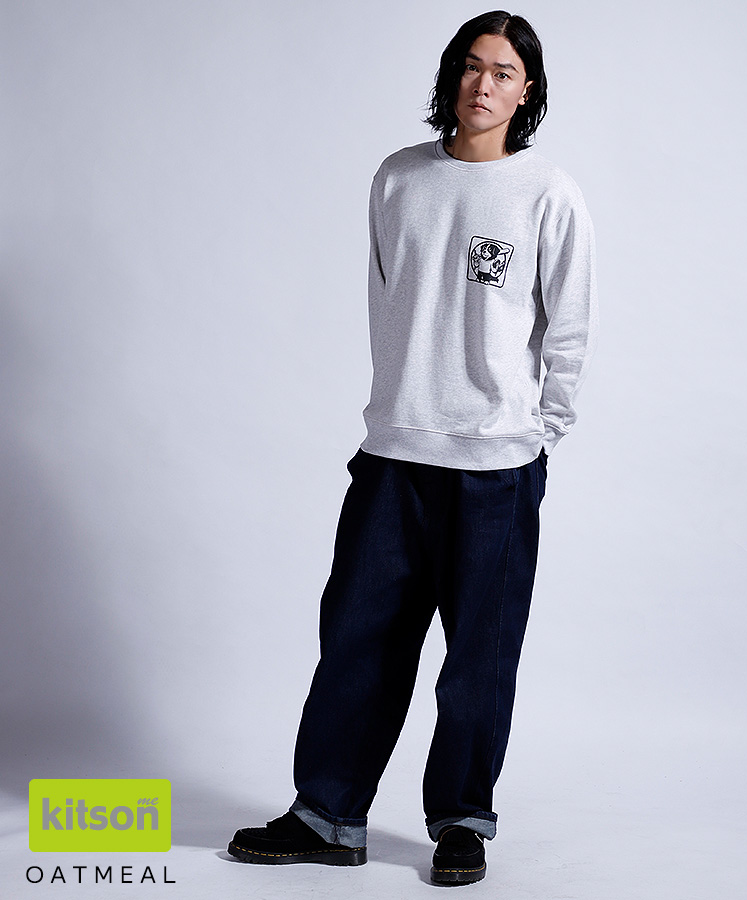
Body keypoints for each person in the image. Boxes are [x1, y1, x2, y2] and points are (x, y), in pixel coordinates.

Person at [227, 9, 598, 886]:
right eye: (471, 66)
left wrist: (534, 435)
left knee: (478, 658)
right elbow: (388, 300)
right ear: (451, 75)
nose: (482, 84)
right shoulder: (399, 178)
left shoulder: (548, 193)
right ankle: (327, 815)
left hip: (496, 468)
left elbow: (569, 331)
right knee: (358, 639)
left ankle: (462, 820)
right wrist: (403, 407)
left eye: (502, 72)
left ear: (527, 91)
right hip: (394, 454)